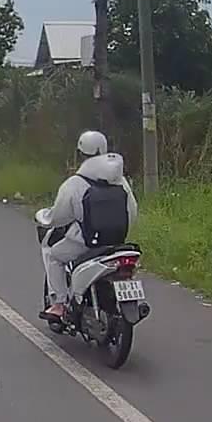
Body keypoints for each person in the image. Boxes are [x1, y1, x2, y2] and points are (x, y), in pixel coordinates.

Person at [37, 130, 138, 320]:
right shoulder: (121, 181)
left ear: (80, 154)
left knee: (53, 255)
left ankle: (58, 304)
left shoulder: (75, 183)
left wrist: (44, 217)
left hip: (87, 242)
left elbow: (59, 217)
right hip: (116, 241)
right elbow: (132, 211)